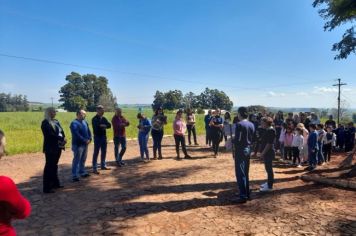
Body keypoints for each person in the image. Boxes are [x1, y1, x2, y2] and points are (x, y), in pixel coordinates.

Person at [231, 107, 255, 204]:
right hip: (248, 148)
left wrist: (232, 140)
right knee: (245, 171)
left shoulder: (239, 125)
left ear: (240, 114)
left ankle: (243, 195)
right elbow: (253, 138)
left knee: (240, 173)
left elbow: (238, 140)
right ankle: (246, 193)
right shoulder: (251, 124)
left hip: (240, 150)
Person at [41, 107, 66, 193]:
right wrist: (60, 138)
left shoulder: (56, 121)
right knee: (49, 166)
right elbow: (50, 135)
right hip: (50, 147)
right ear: (49, 113)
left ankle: (55, 183)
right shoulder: (45, 123)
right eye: (53, 112)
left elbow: (61, 131)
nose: (55, 113)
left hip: (58, 146)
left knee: (55, 165)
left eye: (55, 112)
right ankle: (47, 187)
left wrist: (64, 138)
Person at [70, 109, 92, 182]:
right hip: (78, 144)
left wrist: (90, 138)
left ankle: (82, 172)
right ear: (79, 114)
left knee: (83, 159)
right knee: (76, 160)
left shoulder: (85, 122)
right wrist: (85, 140)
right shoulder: (74, 123)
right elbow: (76, 134)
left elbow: (88, 131)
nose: (85, 115)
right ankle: (74, 175)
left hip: (85, 144)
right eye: (83, 114)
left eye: (85, 114)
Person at [91, 105, 111, 174]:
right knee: (96, 152)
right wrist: (103, 126)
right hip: (97, 137)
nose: (103, 111)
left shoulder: (104, 118)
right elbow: (97, 128)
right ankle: (94, 168)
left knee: (104, 151)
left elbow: (109, 125)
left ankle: (103, 165)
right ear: (97, 110)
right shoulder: (94, 119)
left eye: (103, 110)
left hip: (103, 137)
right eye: (102, 110)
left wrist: (103, 125)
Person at [258, 117, 276, 192]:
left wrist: (263, 153)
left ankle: (269, 186)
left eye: (262, 123)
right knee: (267, 168)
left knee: (269, 169)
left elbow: (269, 144)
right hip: (267, 153)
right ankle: (268, 182)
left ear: (266, 123)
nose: (261, 124)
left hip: (269, 153)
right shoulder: (267, 130)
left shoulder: (271, 130)